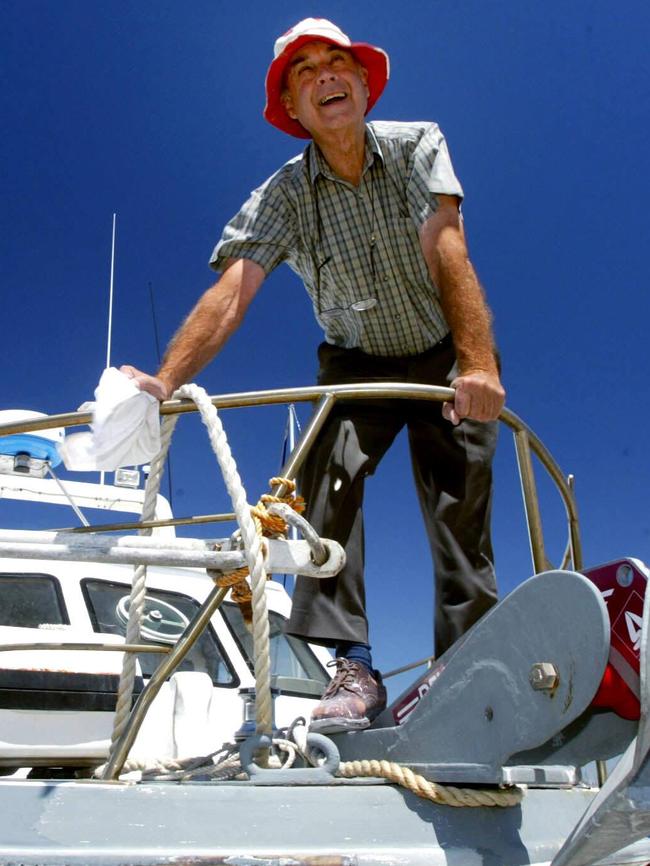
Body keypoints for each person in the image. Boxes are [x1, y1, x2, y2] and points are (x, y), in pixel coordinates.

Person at [122, 17, 505, 734]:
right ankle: (353, 667)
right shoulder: (285, 195)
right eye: (306, 72)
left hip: (443, 349)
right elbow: (234, 291)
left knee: (461, 512)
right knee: (322, 476)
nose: (326, 77)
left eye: (338, 64)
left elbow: (446, 241)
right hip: (357, 359)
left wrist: (477, 363)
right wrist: (165, 381)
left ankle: (466, 669)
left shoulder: (417, 144)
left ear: (363, 85)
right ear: (291, 108)